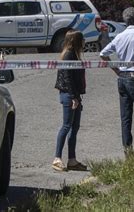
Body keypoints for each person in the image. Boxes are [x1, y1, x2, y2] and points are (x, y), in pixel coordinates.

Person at [100, 7, 134, 149]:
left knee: (126, 116)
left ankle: (127, 148)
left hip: (122, 78)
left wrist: (116, 69)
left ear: (125, 20)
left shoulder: (120, 36)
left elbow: (103, 53)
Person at [52, 29, 87, 172]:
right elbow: (67, 78)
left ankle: (72, 159)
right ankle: (57, 158)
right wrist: (73, 97)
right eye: (82, 39)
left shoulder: (74, 55)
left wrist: (78, 97)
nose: (84, 42)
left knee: (75, 127)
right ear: (76, 41)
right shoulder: (68, 56)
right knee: (66, 126)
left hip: (75, 95)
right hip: (68, 95)